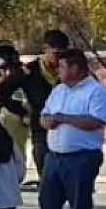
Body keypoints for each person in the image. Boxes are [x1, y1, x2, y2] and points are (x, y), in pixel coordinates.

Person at [33, 47, 106, 209]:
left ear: (75, 68)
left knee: (79, 203)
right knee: (49, 201)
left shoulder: (95, 92)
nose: (57, 70)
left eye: (61, 66)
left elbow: (95, 121)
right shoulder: (59, 90)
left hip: (81, 157)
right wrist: (47, 121)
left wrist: (65, 118)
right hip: (55, 155)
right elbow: (44, 115)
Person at [0, 44, 33, 174]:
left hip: (15, 167)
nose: (14, 73)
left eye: (16, 68)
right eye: (9, 69)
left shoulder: (26, 95)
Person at [26, 30, 70, 177]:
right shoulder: (29, 71)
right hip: (41, 134)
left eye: (63, 55)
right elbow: (4, 92)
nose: (59, 59)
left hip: (65, 133)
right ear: (45, 49)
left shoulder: (70, 71)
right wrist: (22, 111)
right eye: (56, 54)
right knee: (46, 178)